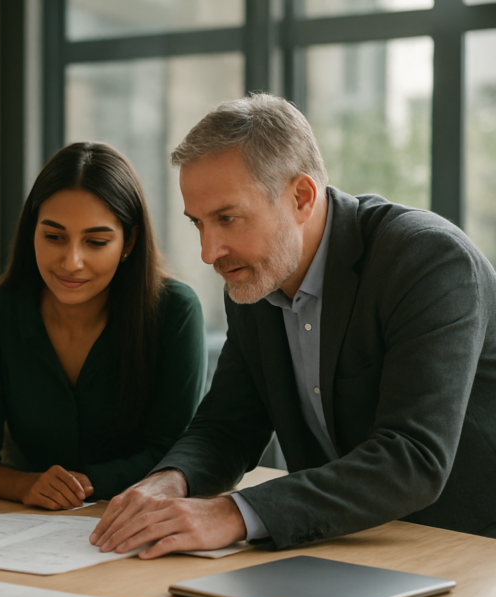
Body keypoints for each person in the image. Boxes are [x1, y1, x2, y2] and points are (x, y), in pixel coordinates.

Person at [91, 93, 496, 563]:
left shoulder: (427, 260)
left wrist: (232, 514)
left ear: (301, 197)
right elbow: (228, 425)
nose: (209, 252)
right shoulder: (255, 276)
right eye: (198, 223)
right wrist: (170, 481)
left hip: (470, 547)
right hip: (341, 544)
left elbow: (411, 458)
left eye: (227, 218)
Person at [0, 142, 206, 509]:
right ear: (32, 231)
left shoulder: (174, 311)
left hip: (135, 517)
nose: (71, 261)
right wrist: (26, 486)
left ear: (129, 242)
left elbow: (174, 455)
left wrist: (87, 484)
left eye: (96, 241)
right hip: (22, 522)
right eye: (54, 237)